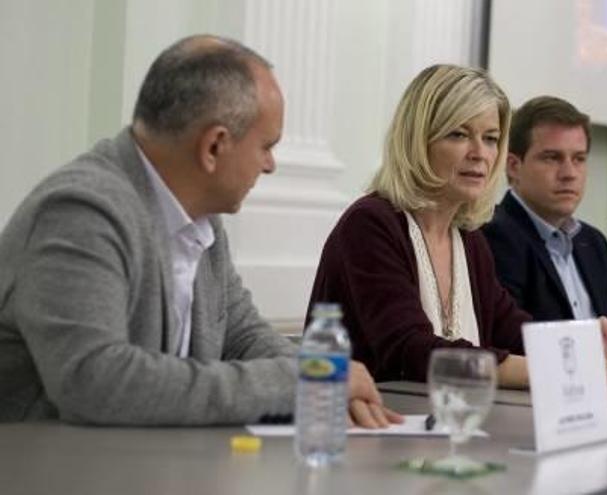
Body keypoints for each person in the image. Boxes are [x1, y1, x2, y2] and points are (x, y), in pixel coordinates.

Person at [0, 35, 400, 427]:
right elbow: (96, 381)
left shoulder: (200, 218)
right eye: (267, 146)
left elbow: (242, 336)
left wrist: (326, 376)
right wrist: (301, 382)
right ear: (214, 147)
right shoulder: (82, 211)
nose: (270, 165)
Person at [308, 65, 607, 395]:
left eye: (490, 139)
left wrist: (581, 353)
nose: (479, 154)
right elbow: (410, 350)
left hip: (449, 425)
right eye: (459, 135)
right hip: (370, 430)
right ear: (419, 141)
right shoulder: (371, 224)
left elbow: (509, 328)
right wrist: (551, 368)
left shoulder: (467, 235)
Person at [482, 96, 607, 353]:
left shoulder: (594, 243)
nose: (569, 173)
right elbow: (510, 340)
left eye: (579, 159)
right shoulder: (494, 233)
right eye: (552, 158)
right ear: (514, 166)